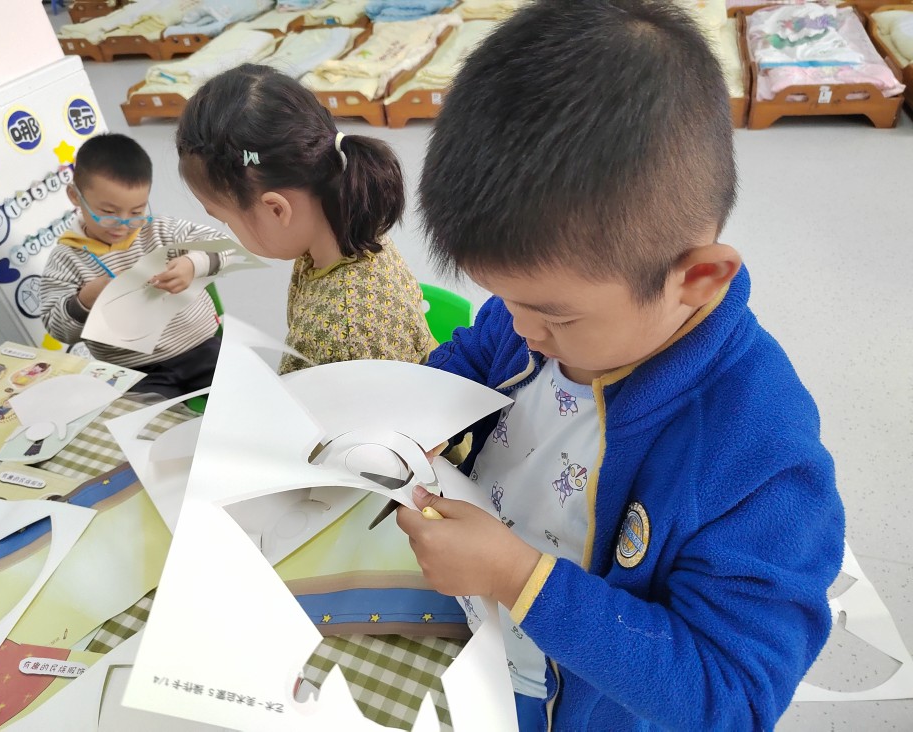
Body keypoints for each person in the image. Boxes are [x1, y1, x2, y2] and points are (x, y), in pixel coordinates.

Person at [395, 0, 846, 729]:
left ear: (697, 279)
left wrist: (520, 579)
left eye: (556, 317)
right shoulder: (537, 307)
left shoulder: (760, 452)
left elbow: (732, 697)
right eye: (503, 298)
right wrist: (424, 412)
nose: (521, 330)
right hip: (467, 644)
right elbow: (475, 354)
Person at [175, 64, 432, 374]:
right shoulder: (351, 227)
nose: (230, 231)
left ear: (276, 209)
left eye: (226, 220)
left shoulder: (340, 337)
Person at [41, 133, 229, 399]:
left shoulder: (160, 230)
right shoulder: (66, 259)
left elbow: (225, 246)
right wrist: (87, 299)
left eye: (137, 211)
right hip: (133, 371)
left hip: (201, 349)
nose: (123, 223)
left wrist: (192, 263)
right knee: (144, 420)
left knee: (239, 397)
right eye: (108, 212)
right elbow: (58, 329)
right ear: (75, 196)